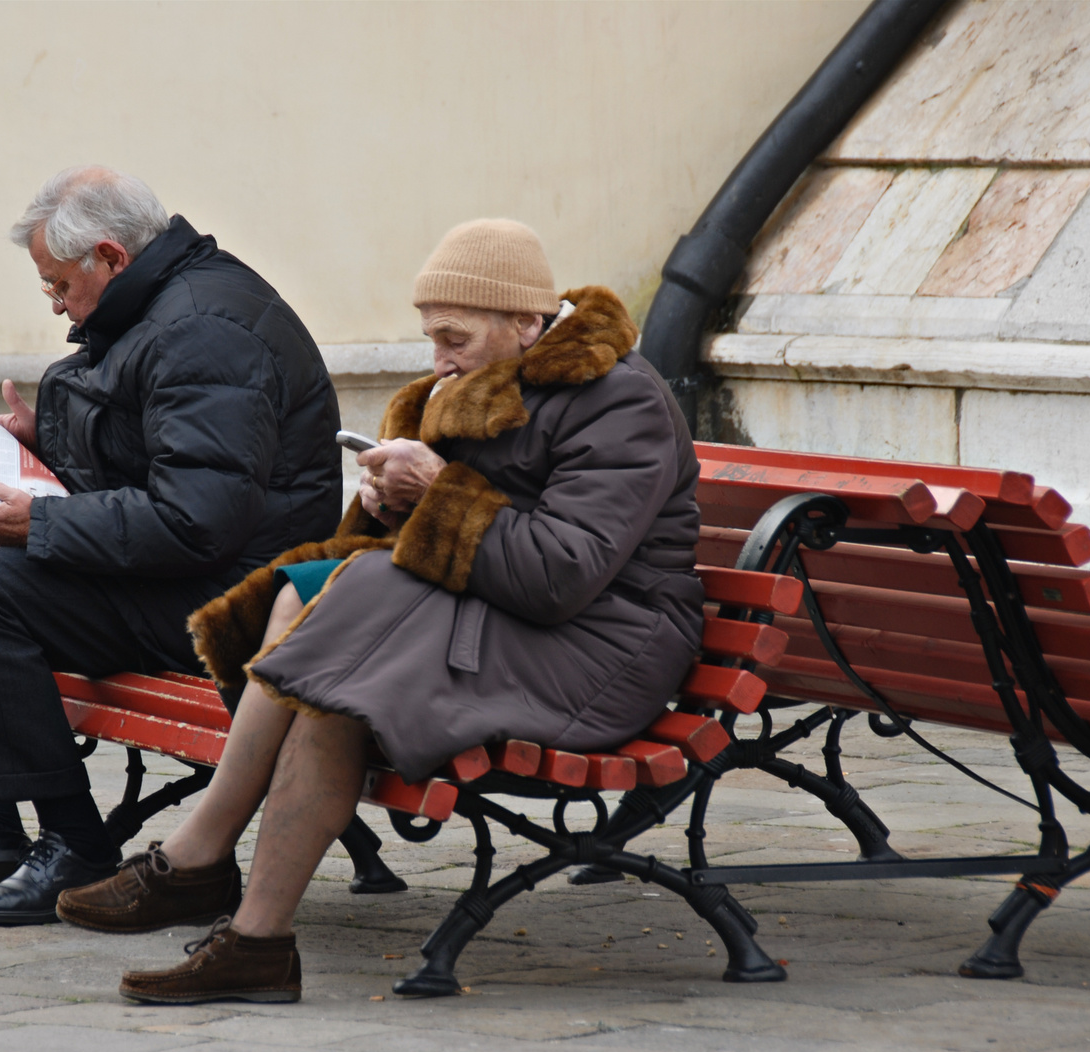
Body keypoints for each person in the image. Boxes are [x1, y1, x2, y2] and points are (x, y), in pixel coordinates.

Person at [54, 219, 704, 1003]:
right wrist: (390, 505)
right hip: (510, 626)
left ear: (526, 323)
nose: (440, 359)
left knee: (348, 640)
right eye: (433, 337)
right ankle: (247, 929)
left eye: (455, 337)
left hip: (601, 651)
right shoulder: (486, 385)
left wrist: (436, 492)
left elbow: (560, 576)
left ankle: (205, 875)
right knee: (316, 620)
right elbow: (461, 544)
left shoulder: (620, 401)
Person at [0, 167, 343, 925]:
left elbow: (194, 518)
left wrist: (42, 525)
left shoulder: (203, 327)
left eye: (58, 285)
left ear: (109, 256)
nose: (55, 303)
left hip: (232, 599)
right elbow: (154, 441)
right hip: (192, 575)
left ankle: (75, 845)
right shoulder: (168, 306)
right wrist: (39, 436)